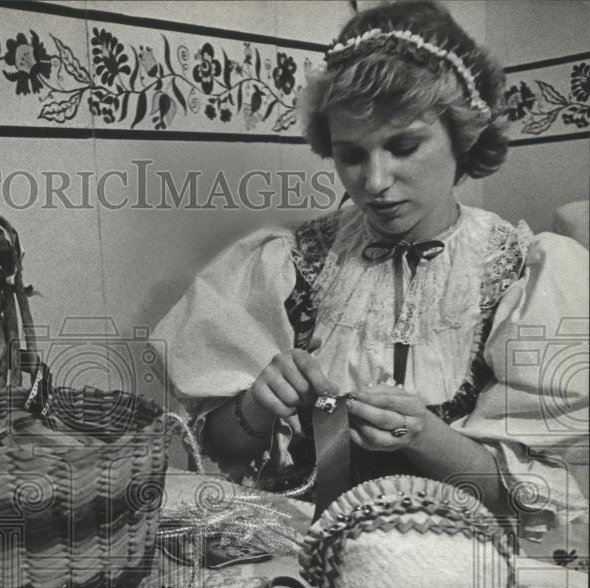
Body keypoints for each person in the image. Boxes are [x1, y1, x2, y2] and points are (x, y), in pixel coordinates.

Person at [153, 0, 588, 537]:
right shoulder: (287, 263)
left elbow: (536, 509)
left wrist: (424, 436)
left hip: (465, 558)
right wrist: (258, 407)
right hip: (308, 549)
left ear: (462, 136)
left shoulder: (527, 274)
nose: (375, 181)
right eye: (352, 155)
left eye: (404, 146)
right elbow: (222, 450)